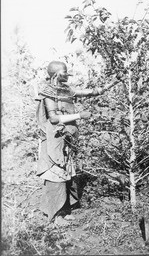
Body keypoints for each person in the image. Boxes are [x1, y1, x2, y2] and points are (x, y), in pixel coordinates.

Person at [36, 60, 120, 225]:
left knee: (67, 173)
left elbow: (93, 92)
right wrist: (79, 116)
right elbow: (53, 118)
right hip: (55, 139)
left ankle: (65, 209)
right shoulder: (48, 92)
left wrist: (114, 82)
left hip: (66, 138)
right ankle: (55, 216)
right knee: (56, 175)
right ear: (55, 74)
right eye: (64, 72)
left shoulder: (66, 90)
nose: (67, 75)